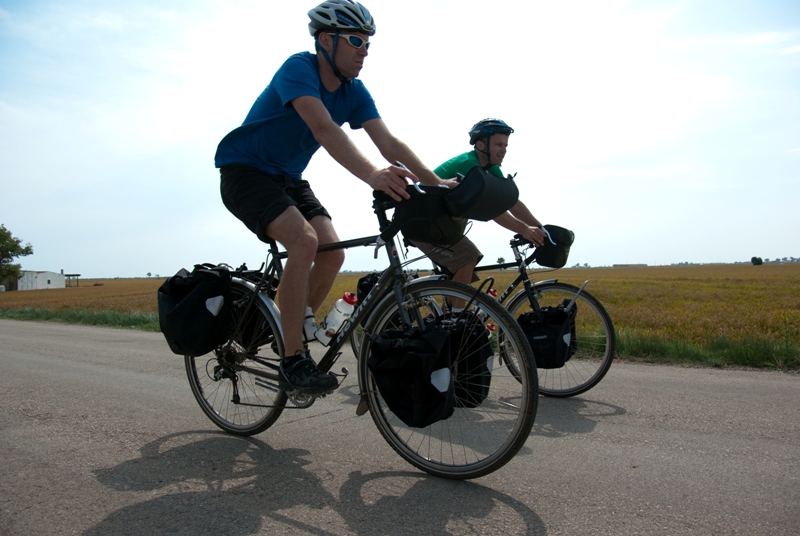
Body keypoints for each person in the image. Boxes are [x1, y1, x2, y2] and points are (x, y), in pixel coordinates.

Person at [214, 1, 454, 396]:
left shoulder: (354, 92)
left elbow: (388, 141)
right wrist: (373, 175)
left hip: (288, 178)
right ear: (326, 40)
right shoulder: (299, 69)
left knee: (332, 251)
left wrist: (436, 182)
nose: (365, 50)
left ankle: (284, 328)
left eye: (369, 43)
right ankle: (293, 359)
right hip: (244, 172)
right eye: (356, 40)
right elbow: (324, 129)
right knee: (304, 240)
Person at [413, 119, 547, 307]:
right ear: (481, 145)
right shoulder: (470, 165)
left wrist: (541, 228)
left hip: (442, 226)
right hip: (423, 222)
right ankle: (456, 321)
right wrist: (524, 229)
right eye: (499, 144)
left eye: (506, 145)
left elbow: (512, 203)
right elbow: (490, 208)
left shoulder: (490, 168)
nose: (504, 149)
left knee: (463, 272)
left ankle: (449, 323)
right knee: (468, 257)